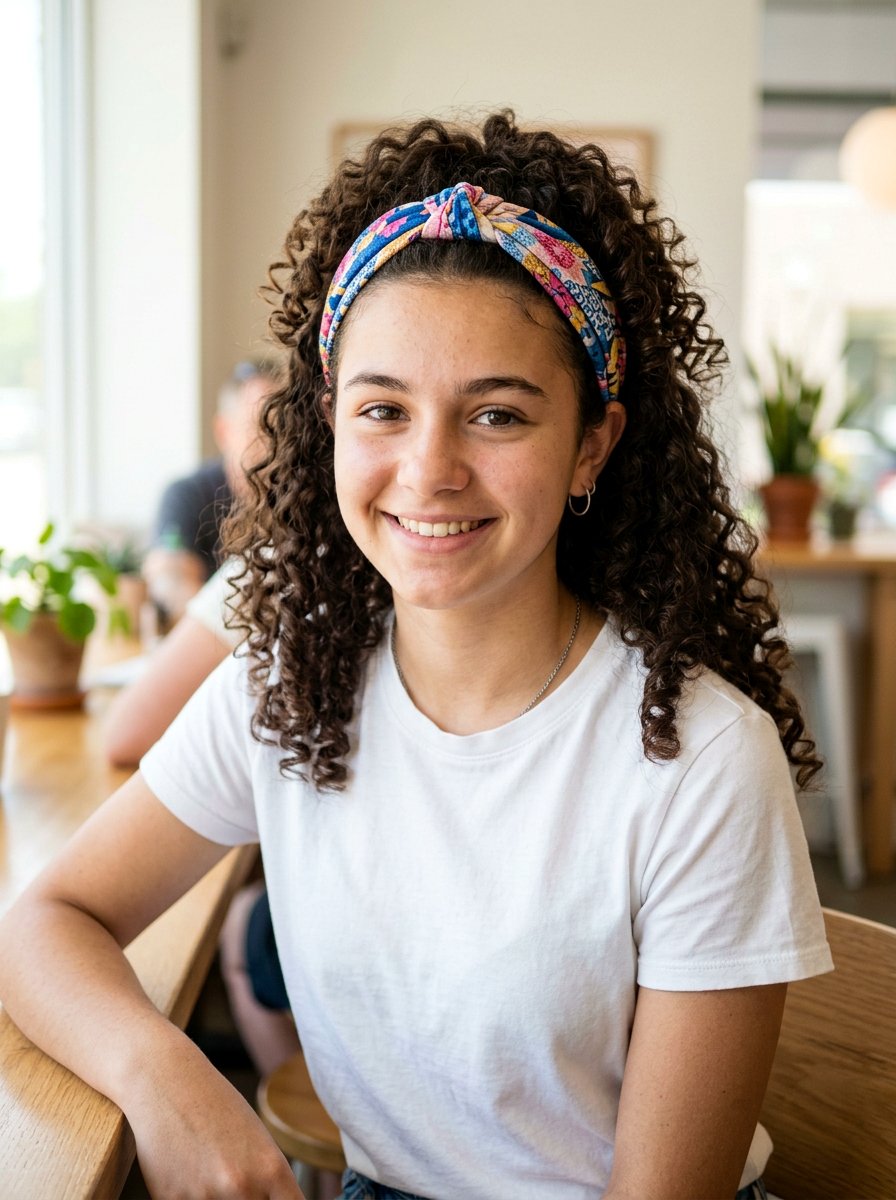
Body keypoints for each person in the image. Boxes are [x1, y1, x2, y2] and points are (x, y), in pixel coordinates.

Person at [0, 112, 833, 1200]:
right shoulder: (287, 684)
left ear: (593, 442)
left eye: (494, 415)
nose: (427, 470)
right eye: (382, 408)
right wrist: (168, 1075)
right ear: (328, 427)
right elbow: (45, 922)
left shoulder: (701, 758)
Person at [142, 359, 280, 623]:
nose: (275, 445)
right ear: (224, 431)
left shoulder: (302, 496)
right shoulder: (187, 495)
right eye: (259, 430)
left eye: (283, 428)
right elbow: (168, 579)